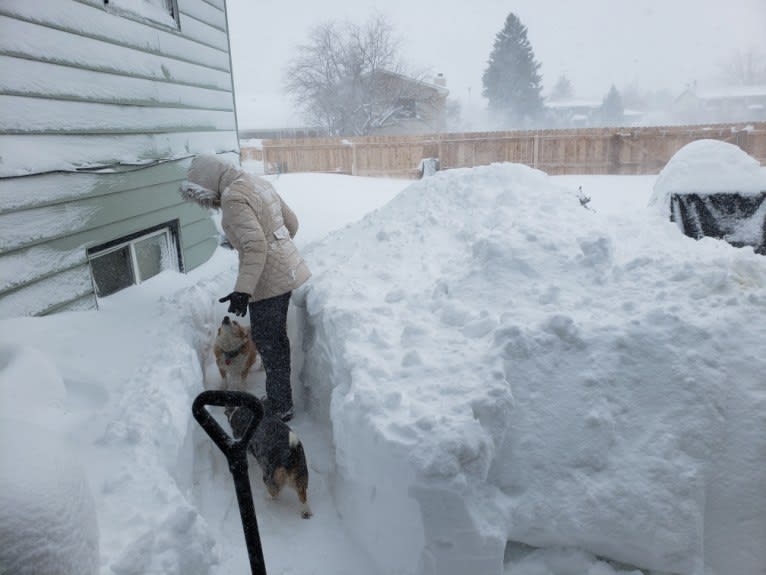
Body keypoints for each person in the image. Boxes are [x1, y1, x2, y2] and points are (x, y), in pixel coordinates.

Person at [180, 154, 311, 421]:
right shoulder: (256, 183)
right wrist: (279, 249)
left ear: (208, 182)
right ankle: (280, 400)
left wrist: (243, 290)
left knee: (269, 341)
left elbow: (255, 246)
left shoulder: (232, 197)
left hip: (268, 281)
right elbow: (292, 224)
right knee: (274, 339)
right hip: (287, 271)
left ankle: (279, 406)